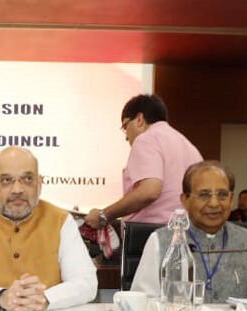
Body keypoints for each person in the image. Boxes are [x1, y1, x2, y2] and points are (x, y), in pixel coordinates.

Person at [0, 147, 96, 311]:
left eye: (27, 179)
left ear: (39, 184)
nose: (17, 189)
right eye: (7, 180)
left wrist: (45, 298)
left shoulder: (61, 221)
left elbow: (87, 282)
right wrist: (0, 297)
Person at [131, 162, 247, 302]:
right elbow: (142, 304)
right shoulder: (159, 240)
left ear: (231, 200)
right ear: (185, 200)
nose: (214, 203)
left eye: (222, 195)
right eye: (204, 195)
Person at [85, 94, 203, 229]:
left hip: (152, 236)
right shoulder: (188, 145)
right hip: (189, 232)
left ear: (139, 119)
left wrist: (103, 215)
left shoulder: (145, 139)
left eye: (125, 127)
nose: (126, 138)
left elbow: (149, 191)